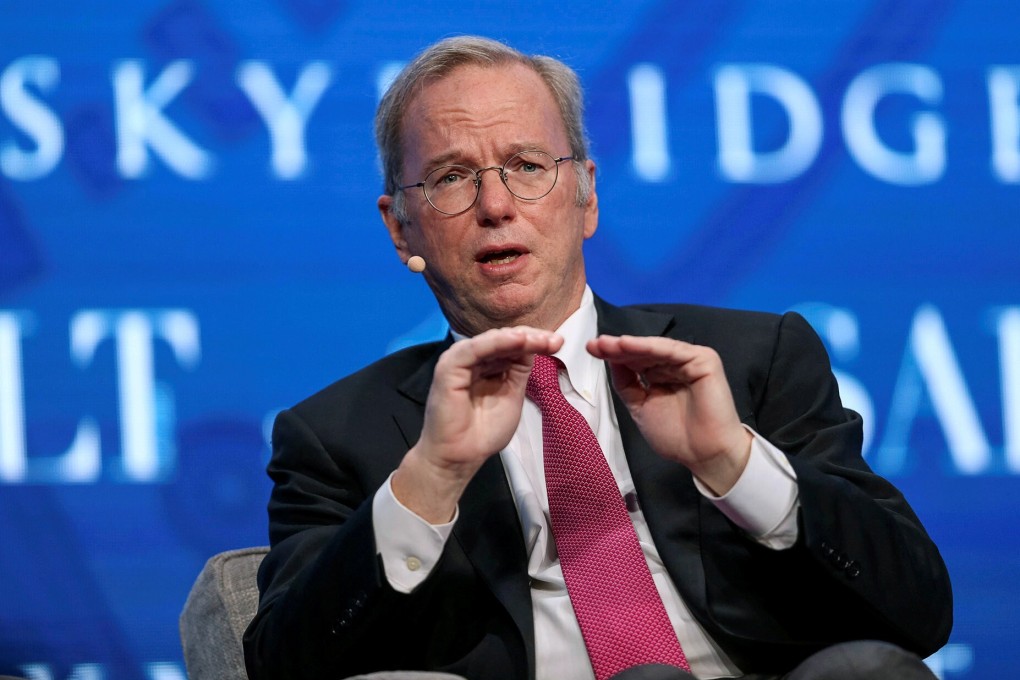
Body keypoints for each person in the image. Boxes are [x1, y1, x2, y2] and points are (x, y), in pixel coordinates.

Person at [242, 36, 952, 680]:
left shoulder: (749, 361)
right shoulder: (337, 436)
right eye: (452, 177)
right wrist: (431, 479)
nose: (496, 205)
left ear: (586, 198)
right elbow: (282, 663)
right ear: (401, 229)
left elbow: (918, 613)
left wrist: (733, 464)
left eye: (527, 165)